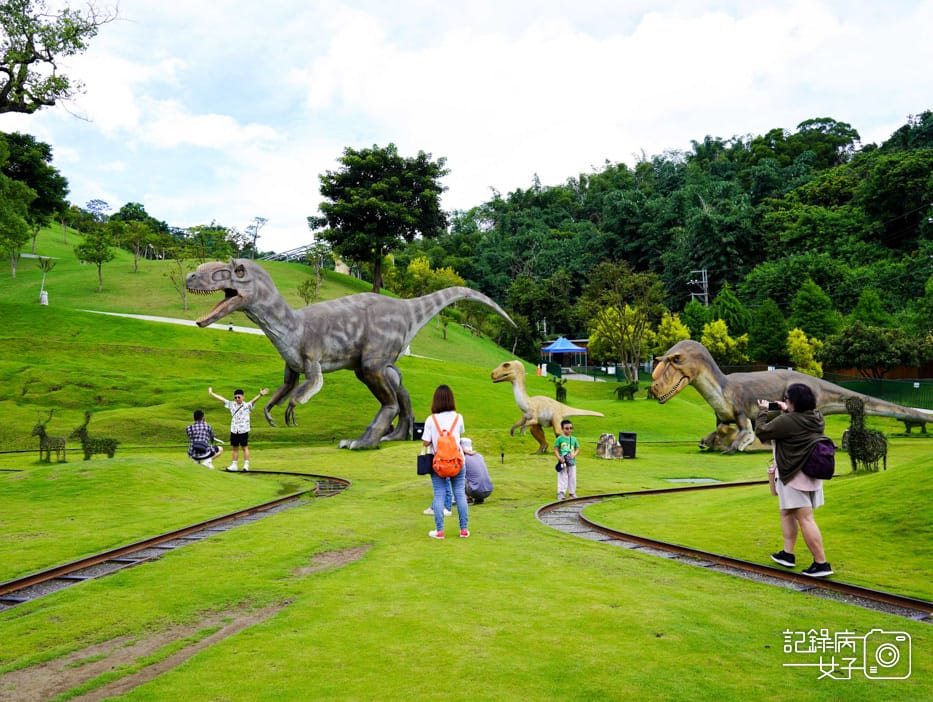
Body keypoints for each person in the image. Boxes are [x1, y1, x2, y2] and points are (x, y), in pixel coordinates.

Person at [755, 383, 833, 578]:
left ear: (793, 402)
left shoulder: (790, 421)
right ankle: (787, 554)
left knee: (805, 518)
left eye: (788, 399)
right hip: (809, 472)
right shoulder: (816, 417)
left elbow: (762, 431)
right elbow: (793, 426)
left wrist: (763, 411)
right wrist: (786, 410)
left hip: (794, 474)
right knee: (786, 512)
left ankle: (821, 562)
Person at [421, 384, 469, 539]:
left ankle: (440, 531)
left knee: (439, 494)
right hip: (457, 461)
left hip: (439, 464)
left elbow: (426, 442)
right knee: (460, 494)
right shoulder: (458, 417)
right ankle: (464, 530)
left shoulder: (431, 419)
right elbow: (459, 434)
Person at [208, 386, 268, 471]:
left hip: (243, 430)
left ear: (243, 397)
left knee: (244, 447)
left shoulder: (246, 405)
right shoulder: (231, 404)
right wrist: (212, 393)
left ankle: (246, 465)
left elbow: (253, 401)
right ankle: (234, 465)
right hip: (234, 430)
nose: (237, 399)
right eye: (235, 397)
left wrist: (260, 395)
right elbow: (222, 399)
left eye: (238, 397)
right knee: (235, 448)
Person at [553, 419, 580, 500]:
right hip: (563, 461)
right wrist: (559, 458)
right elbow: (556, 449)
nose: (569, 430)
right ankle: (561, 492)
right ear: (562, 429)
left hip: (572, 461)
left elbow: (577, 448)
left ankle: (572, 492)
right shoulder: (559, 439)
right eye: (567, 428)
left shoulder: (574, 439)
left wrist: (574, 454)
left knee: (572, 477)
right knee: (562, 476)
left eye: (571, 428)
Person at [461, 437, 493, 504]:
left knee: (458, 477)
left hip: (475, 492)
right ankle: (479, 499)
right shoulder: (480, 456)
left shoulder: (462, 459)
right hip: (489, 490)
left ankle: (468, 498)